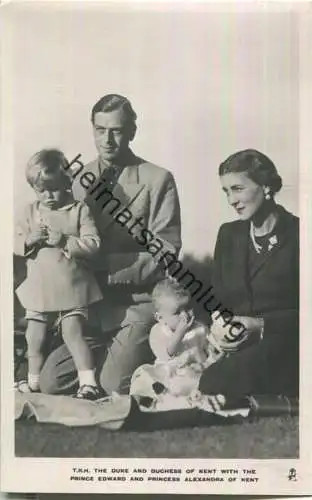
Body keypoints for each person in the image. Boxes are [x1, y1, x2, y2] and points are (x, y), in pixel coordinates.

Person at [39, 94, 181, 396]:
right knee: (52, 382)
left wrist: (103, 266)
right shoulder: (72, 181)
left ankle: (149, 357)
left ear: (132, 131)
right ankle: (115, 360)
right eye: (100, 130)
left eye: (116, 130)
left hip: (137, 304)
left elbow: (166, 252)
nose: (108, 139)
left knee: (113, 385)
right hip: (88, 308)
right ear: (92, 129)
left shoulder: (159, 180)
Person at [199, 149, 299, 404]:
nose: (232, 200)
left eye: (238, 189)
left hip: (288, 344)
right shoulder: (229, 234)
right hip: (235, 348)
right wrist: (217, 333)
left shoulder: (299, 234)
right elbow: (218, 299)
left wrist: (261, 326)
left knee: (216, 379)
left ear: (266, 186)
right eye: (226, 192)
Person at [14, 149, 103, 399]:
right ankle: (32, 382)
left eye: (53, 188)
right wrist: (29, 241)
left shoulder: (78, 210)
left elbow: (93, 243)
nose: (47, 195)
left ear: (67, 182)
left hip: (71, 287)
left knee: (73, 333)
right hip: (40, 289)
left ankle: (88, 382)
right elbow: (11, 241)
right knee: (34, 338)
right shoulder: (29, 212)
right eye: (40, 189)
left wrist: (65, 240)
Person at [130, 277, 224, 404]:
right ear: (160, 318)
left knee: (203, 379)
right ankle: (154, 398)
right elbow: (167, 353)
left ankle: (182, 398)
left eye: (188, 307)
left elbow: (212, 350)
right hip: (168, 373)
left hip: (194, 373)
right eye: (177, 312)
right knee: (144, 377)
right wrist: (180, 332)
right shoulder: (159, 331)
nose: (185, 315)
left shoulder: (200, 328)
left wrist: (207, 362)